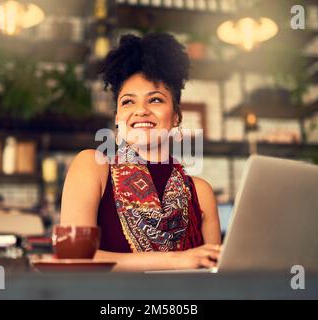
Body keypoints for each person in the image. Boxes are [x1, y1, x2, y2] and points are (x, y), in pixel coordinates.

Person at [61, 33, 221, 271]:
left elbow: (215, 278)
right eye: (128, 102)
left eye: (155, 100)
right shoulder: (92, 166)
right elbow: (73, 259)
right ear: (117, 117)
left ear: (176, 115)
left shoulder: (201, 192)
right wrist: (177, 260)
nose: (141, 111)